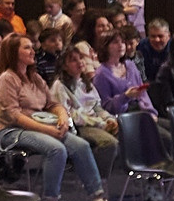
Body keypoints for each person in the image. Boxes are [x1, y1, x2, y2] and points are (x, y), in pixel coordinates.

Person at [0, 36, 115, 201]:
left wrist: (62, 118)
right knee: (56, 149)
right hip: (13, 131)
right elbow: (15, 116)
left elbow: (53, 104)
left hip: (42, 127)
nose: (33, 51)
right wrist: (48, 130)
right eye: (27, 48)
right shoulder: (7, 78)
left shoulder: (34, 77)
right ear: (13, 53)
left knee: (82, 146)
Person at [51, 43, 122, 183]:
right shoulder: (60, 86)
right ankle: (96, 182)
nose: (79, 62)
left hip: (96, 122)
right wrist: (99, 123)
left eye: (80, 58)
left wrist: (109, 118)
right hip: (79, 127)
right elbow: (70, 115)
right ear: (64, 66)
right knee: (109, 143)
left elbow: (97, 107)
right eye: (73, 60)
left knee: (125, 133)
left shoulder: (85, 82)